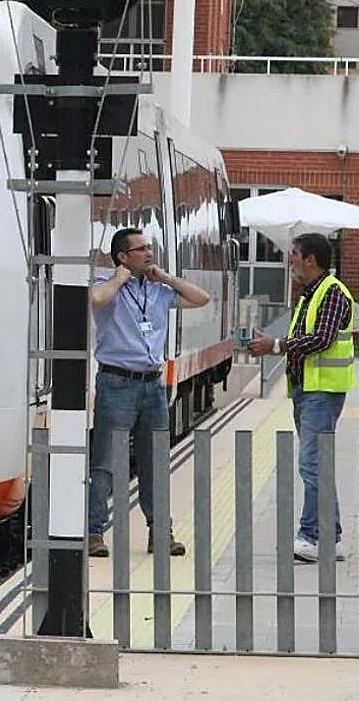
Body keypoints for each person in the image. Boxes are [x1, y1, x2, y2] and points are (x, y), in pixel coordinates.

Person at [87, 227, 211, 558]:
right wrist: (119, 278)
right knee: (106, 461)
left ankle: (161, 533)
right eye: (141, 249)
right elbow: (97, 300)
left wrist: (167, 277)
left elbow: (202, 298)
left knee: (155, 459)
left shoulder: (158, 290)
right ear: (123, 257)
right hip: (117, 382)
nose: (149, 253)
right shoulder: (105, 284)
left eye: (149, 248)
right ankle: (94, 532)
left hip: (153, 383)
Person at [248, 233, 355, 563]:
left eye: (294, 254)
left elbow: (320, 340)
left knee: (312, 464)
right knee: (316, 464)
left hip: (322, 391)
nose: (290, 260)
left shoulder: (332, 293)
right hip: (309, 389)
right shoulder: (311, 293)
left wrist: (276, 346)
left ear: (310, 260)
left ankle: (311, 536)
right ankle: (330, 537)